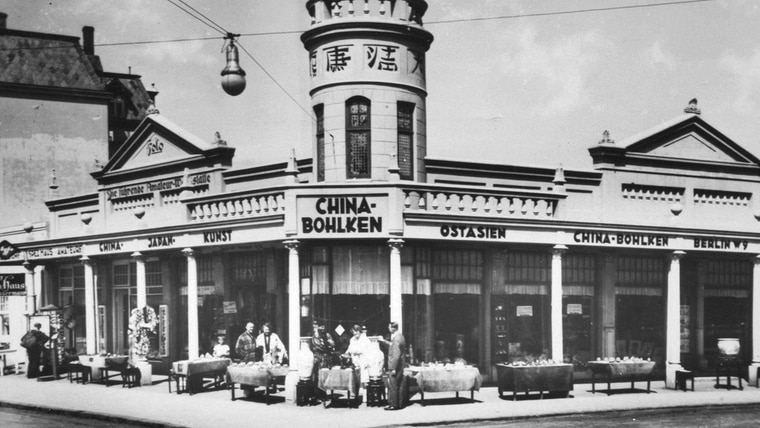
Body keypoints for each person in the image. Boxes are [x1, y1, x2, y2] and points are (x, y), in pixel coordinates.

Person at [384, 321, 406, 411]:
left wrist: (393, 368)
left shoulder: (396, 339)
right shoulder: (400, 337)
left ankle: (393, 404)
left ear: (393, 328)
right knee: (399, 384)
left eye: (389, 327)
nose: (388, 329)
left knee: (393, 385)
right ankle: (399, 403)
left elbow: (396, 354)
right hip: (400, 365)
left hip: (395, 366)